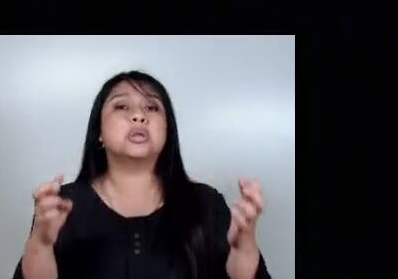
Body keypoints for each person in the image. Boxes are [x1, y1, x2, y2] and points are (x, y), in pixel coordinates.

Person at [15, 70, 273, 279]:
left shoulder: (206, 203)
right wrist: (41, 245)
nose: (139, 116)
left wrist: (244, 248)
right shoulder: (63, 206)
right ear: (99, 132)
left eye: (152, 107)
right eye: (122, 106)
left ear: (167, 131)